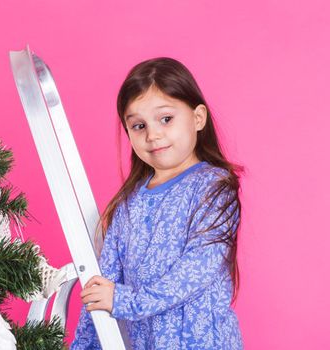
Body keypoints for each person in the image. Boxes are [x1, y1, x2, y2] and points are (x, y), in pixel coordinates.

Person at [70, 57, 244, 349]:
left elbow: (195, 271)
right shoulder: (128, 203)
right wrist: (84, 346)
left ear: (198, 118)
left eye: (166, 119)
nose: (153, 135)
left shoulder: (213, 188)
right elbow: (101, 287)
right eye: (138, 126)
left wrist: (126, 301)